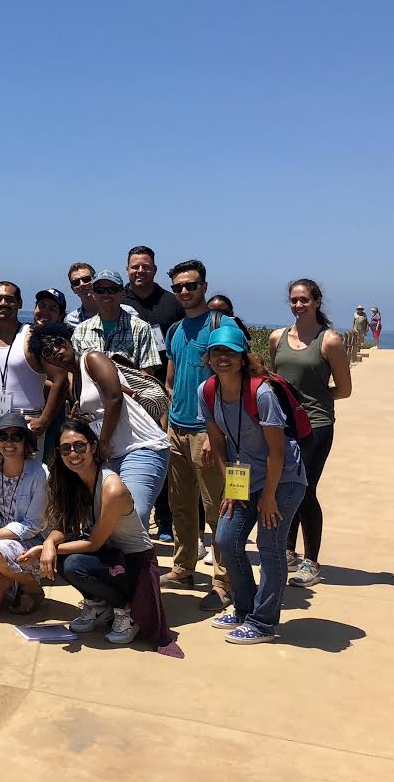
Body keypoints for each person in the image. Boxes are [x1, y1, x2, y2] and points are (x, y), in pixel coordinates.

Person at [25, 420, 174, 650]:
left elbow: (93, 543)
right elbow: (65, 525)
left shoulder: (112, 488)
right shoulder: (75, 480)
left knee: (73, 562)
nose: (73, 453)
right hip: (111, 557)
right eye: (66, 449)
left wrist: (47, 549)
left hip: (136, 564)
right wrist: (49, 542)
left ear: (93, 446)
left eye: (80, 446)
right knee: (63, 557)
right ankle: (98, 604)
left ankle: (126, 609)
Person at [202, 324, 307, 644]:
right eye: (217, 352)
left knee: (269, 546)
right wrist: (232, 490)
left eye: (230, 353)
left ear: (243, 358)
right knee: (225, 538)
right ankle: (245, 608)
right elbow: (218, 443)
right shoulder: (207, 391)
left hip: (283, 478)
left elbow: (277, 451)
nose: (223, 358)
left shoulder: (261, 393)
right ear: (208, 357)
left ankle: (264, 623)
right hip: (245, 477)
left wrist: (270, 497)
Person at [31, 321, 170, 532]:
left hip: (142, 448)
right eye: (49, 351)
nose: (57, 351)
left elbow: (114, 398)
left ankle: (138, 563)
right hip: (112, 456)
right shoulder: (74, 381)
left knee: (135, 513)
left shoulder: (92, 359)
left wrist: (102, 443)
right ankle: (117, 564)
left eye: (59, 343)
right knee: (104, 514)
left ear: (69, 340)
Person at [270, 279, 352, 588]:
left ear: (317, 301)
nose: (298, 304)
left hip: (316, 425)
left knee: (305, 490)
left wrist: (312, 399)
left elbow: (344, 390)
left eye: (304, 299)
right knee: (283, 487)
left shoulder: (329, 340)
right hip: (281, 423)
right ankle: (288, 551)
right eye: (293, 299)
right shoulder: (278, 337)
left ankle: (311, 560)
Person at [160, 260, 232, 611]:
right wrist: (168, 420)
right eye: (179, 287)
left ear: (205, 286)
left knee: (219, 508)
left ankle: (223, 580)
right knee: (181, 506)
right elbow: (170, 381)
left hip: (209, 433)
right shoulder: (175, 330)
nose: (185, 292)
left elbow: (234, 382)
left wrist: (213, 432)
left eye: (191, 285)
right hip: (176, 429)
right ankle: (183, 567)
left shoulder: (223, 326)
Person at [0, 412, 49, 616]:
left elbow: (34, 524)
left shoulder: (41, 473)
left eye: (16, 437)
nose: (9, 442)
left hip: (32, 542)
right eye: (3, 437)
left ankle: (31, 586)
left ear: (25, 443)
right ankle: (10, 578)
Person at [0, 282, 60, 437]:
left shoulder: (34, 338)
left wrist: (44, 420)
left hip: (28, 423)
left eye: (9, 299)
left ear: (19, 303)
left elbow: (60, 381)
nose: (3, 303)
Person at [71, 270, 160, 372]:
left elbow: (147, 372)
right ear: (93, 294)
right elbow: (75, 371)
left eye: (112, 289)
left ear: (122, 293)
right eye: (100, 290)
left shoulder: (141, 328)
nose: (106, 294)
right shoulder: (80, 330)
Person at [122, 246, 184, 382]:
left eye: (145, 266)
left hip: (167, 383)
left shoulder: (174, 302)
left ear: (155, 270)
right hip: (126, 384)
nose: (140, 271)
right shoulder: (117, 303)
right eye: (135, 267)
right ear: (127, 270)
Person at [66, 263, 140, 326]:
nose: (82, 284)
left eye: (86, 279)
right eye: (76, 282)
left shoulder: (129, 312)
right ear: (73, 289)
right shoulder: (71, 320)